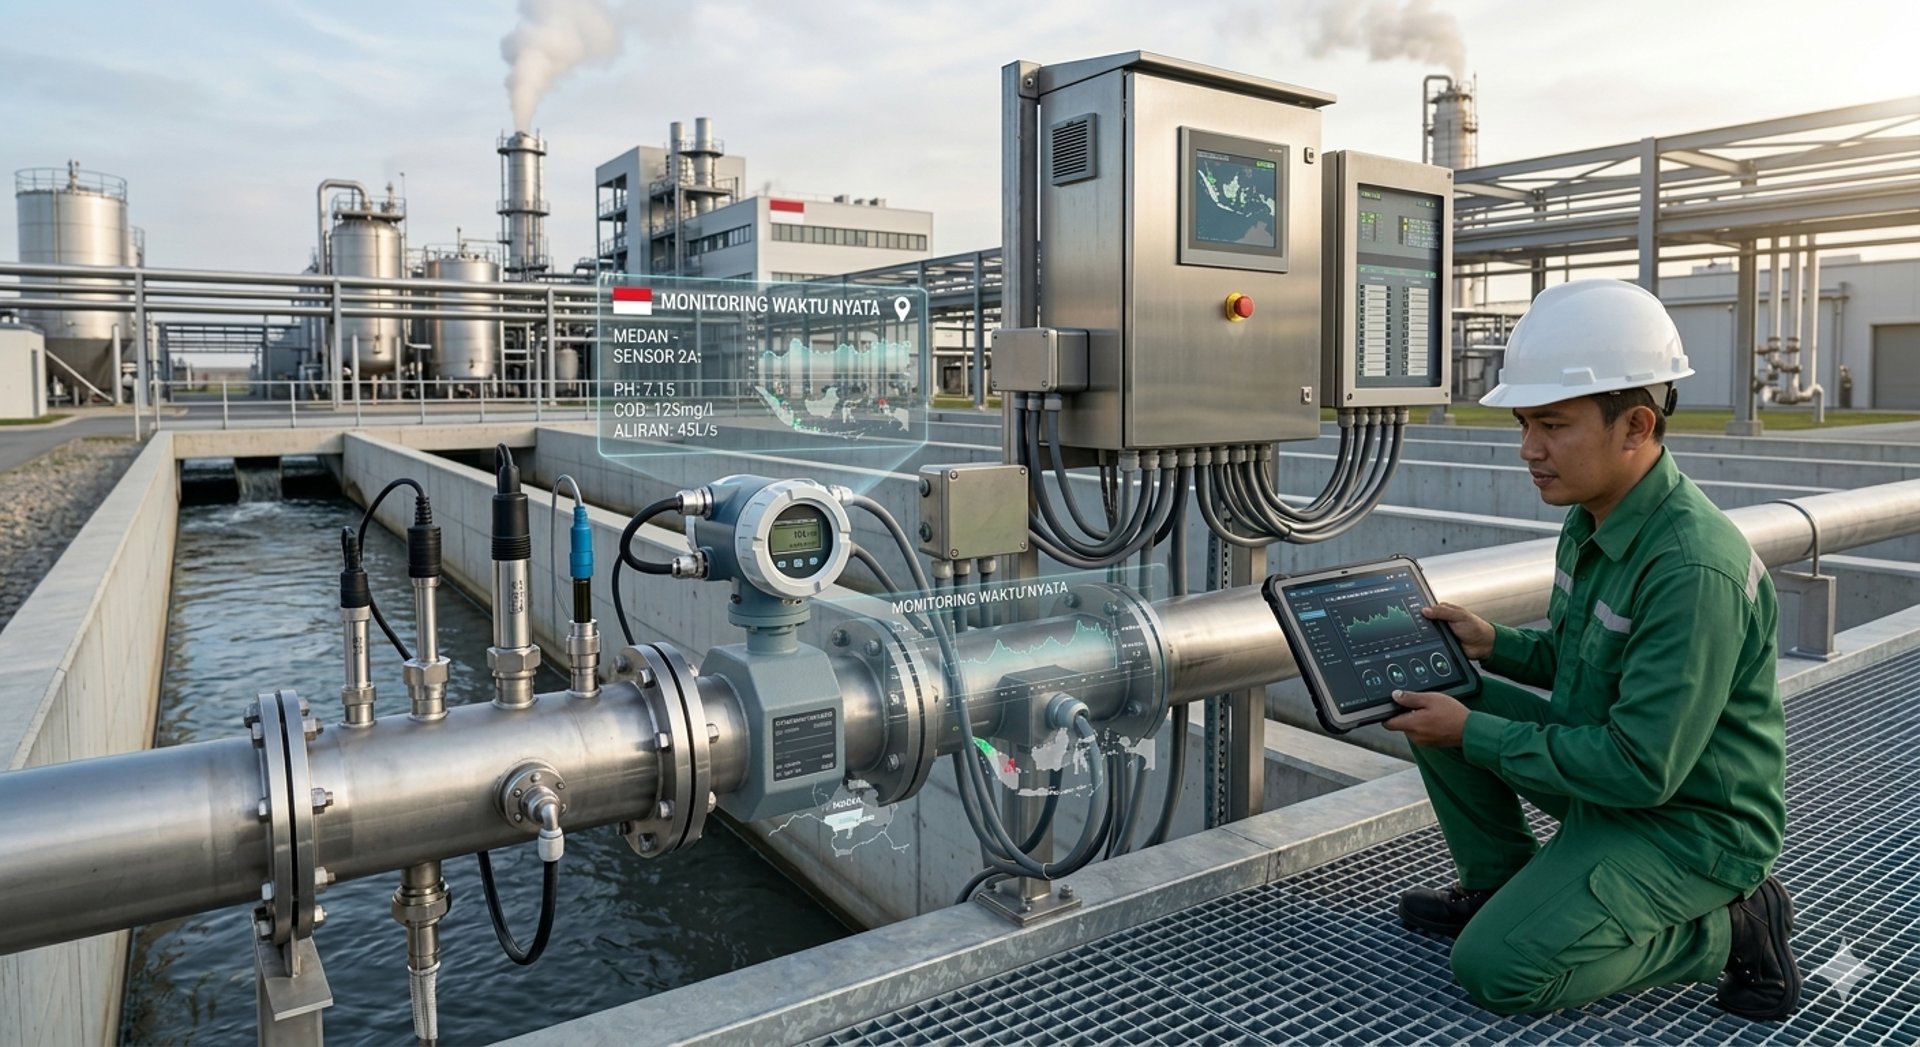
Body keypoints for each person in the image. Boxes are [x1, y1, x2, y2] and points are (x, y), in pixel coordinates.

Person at [1383, 279, 1801, 1021]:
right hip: (1615, 774)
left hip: (1689, 824)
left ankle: (1731, 928)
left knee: (1496, 967)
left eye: (1550, 424)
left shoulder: (1690, 568)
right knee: (1440, 692)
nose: (1528, 449)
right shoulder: (1594, 516)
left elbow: (1643, 767)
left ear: (1636, 425)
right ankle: (1499, 883)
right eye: (1523, 423)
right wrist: (1493, 645)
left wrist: (1472, 732)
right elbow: (1578, 665)